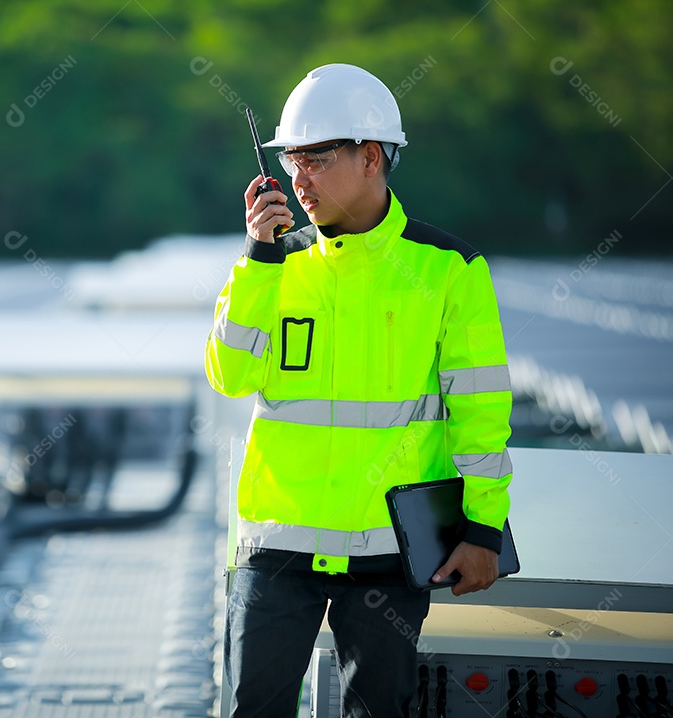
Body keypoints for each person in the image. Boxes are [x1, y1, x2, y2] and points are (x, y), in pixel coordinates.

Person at [204, 63, 513, 717]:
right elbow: (230, 377)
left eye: (315, 160)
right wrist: (258, 260)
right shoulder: (271, 264)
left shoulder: (448, 269)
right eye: (291, 162)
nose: (298, 180)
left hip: (389, 551)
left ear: (371, 157)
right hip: (277, 545)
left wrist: (484, 529)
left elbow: (480, 410)